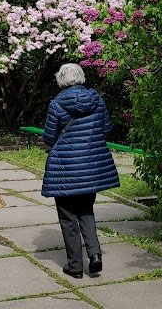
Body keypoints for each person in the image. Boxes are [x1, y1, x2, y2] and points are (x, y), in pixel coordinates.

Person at [40, 63, 120, 278]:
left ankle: (75, 267)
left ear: (61, 80)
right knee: (86, 210)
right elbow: (106, 129)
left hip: (64, 169)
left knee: (67, 217)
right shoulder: (97, 100)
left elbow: (49, 137)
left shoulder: (57, 104)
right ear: (82, 77)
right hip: (91, 167)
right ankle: (94, 255)